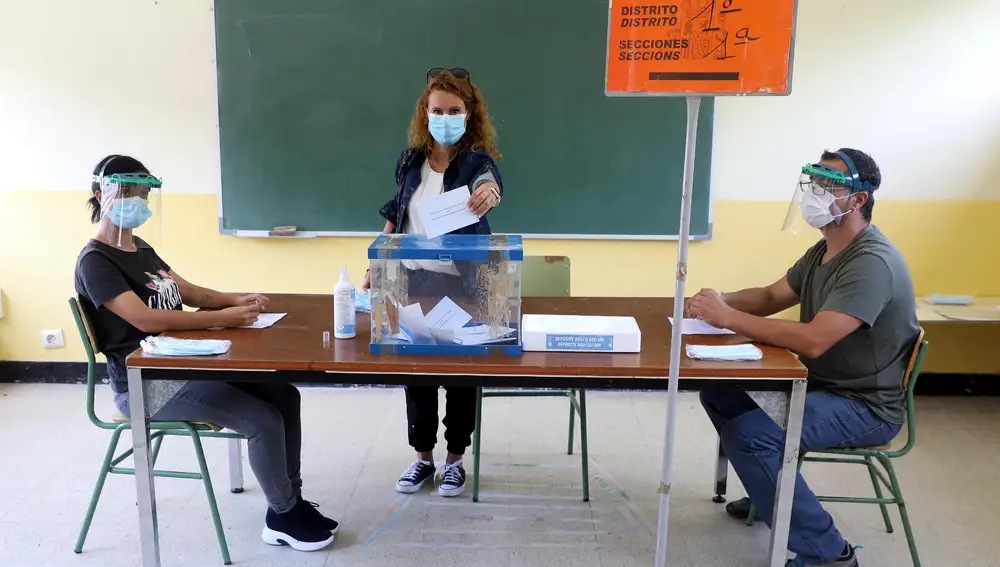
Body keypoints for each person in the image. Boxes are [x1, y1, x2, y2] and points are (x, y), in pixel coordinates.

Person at [75, 155, 339, 552]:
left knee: (284, 394)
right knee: (261, 418)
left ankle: (290, 500)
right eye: (129, 192)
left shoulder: (140, 248)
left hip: (185, 361)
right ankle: (283, 516)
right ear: (101, 195)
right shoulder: (96, 261)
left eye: (144, 193)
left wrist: (234, 300)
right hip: (145, 383)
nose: (139, 202)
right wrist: (220, 319)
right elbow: (146, 321)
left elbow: (186, 291)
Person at [687, 148, 919, 567]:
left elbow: (813, 341)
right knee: (720, 392)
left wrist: (729, 316)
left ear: (859, 199)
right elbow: (773, 296)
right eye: (813, 181)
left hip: (864, 405)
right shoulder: (824, 249)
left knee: (751, 434)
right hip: (825, 386)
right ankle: (771, 494)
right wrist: (717, 302)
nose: (816, 190)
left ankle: (828, 553)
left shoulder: (871, 262)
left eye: (828, 182)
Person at [363, 68, 503, 498]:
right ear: (425, 113)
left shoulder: (476, 160)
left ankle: (456, 460)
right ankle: (422, 458)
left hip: (464, 284)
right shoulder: (410, 161)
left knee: (462, 375)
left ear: (469, 113)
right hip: (413, 282)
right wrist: (377, 257)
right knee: (417, 373)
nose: (445, 117)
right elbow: (397, 211)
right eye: (437, 109)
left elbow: (490, 185)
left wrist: (488, 194)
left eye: (454, 110)